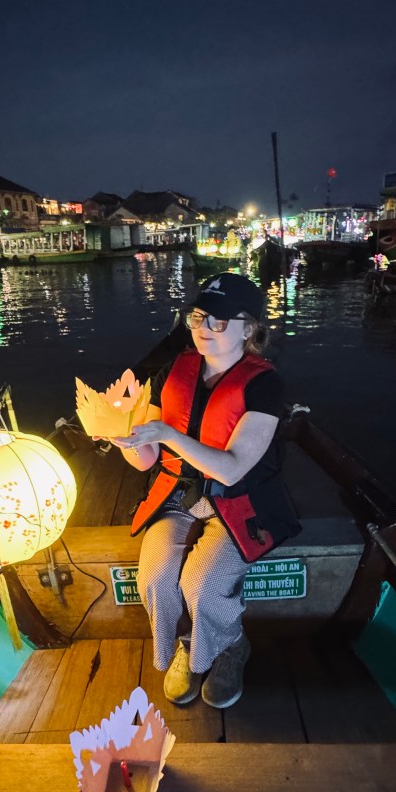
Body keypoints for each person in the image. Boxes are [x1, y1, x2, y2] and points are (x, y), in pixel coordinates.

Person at [110, 272, 299, 709]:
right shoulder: (174, 369)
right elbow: (147, 459)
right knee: (156, 577)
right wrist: (124, 438)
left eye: (217, 321)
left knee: (203, 585)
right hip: (177, 497)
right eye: (197, 318)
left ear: (248, 329)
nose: (202, 329)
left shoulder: (264, 384)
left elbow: (232, 471)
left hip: (236, 502)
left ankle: (230, 644)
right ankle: (188, 645)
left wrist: (169, 436)